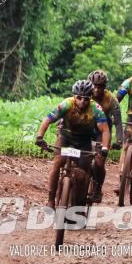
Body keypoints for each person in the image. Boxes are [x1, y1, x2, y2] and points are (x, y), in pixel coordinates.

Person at [35, 80, 110, 208]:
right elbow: (47, 120)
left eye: (86, 99)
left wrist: (104, 147)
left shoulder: (96, 109)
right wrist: (39, 137)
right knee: (57, 164)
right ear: (74, 96)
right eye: (79, 98)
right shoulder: (66, 104)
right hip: (66, 137)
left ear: (90, 98)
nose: (82, 101)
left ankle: (78, 204)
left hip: (84, 141)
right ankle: (50, 199)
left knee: (81, 175)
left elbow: (105, 130)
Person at [87, 70, 124, 202]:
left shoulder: (111, 100)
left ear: (105, 87)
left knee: (98, 162)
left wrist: (119, 140)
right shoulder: (83, 94)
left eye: (100, 86)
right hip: (84, 128)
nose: (96, 89)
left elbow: (118, 122)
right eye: (94, 86)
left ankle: (97, 189)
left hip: (102, 132)